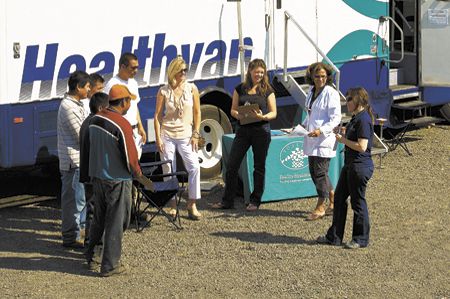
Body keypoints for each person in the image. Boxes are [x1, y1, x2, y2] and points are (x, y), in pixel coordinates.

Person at [85, 84, 147, 276]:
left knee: (99, 219)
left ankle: (92, 256)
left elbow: (87, 147)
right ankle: (110, 265)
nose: (130, 103)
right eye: (129, 99)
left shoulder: (94, 120)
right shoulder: (122, 124)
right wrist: (139, 175)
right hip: (117, 179)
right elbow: (131, 157)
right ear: (124, 102)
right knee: (117, 222)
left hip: (98, 177)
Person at [213, 58, 277, 211]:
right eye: (257, 72)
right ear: (250, 71)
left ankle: (255, 200)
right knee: (233, 165)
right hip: (243, 130)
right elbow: (233, 109)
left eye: (262, 72)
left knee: (259, 166)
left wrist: (263, 117)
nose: (259, 75)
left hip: (261, 131)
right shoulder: (240, 88)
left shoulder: (267, 90)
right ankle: (227, 201)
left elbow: (274, 113)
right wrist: (238, 115)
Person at [317, 87, 375, 249]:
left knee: (358, 202)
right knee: (340, 198)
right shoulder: (356, 118)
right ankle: (334, 236)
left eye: (349, 99)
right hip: (350, 165)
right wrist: (344, 131)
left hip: (359, 166)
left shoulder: (363, 119)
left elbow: (362, 146)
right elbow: (355, 136)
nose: (346, 102)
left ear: (358, 101)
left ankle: (360, 239)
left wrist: (343, 140)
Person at [154, 56, 202, 220]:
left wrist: (196, 132)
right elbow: (157, 116)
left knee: (194, 166)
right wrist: (158, 138)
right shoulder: (163, 90)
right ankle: (172, 205)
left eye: (185, 70)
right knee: (169, 170)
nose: (184, 73)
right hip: (167, 134)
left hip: (186, 134)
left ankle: (192, 203)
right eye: (181, 70)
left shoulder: (192, 88)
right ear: (173, 71)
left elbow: (197, 112)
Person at [303, 62, 341, 221]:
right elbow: (310, 115)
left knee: (319, 173)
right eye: (317, 76)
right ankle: (334, 200)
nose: (320, 79)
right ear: (312, 77)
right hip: (312, 137)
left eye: (323, 76)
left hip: (324, 138)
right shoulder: (311, 92)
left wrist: (321, 131)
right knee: (315, 172)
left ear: (328, 77)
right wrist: (301, 127)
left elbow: (335, 119)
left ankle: (320, 206)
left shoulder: (331, 93)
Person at [57, 70, 90, 248]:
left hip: (79, 161)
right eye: (87, 86)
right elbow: (81, 135)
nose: (89, 89)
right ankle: (71, 237)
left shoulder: (77, 105)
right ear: (78, 87)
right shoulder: (68, 107)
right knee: (74, 202)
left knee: (80, 200)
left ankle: (80, 233)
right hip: (73, 162)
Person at [79, 92, 109, 247]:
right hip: (95, 175)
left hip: (86, 174)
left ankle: (88, 241)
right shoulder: (97, 124)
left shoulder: (87, 122)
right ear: (101, 107)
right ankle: (93, 243)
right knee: (96, 210)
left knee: (92, 210)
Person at [104, 53, 146, 156]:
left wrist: (140, 126)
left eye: (137, 67)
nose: (136, 71)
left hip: (135, 131)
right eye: (133, 68)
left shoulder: (134, 83)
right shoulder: (112, 85)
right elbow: (107, 111)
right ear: (122, 66)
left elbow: (135, 106)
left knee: (135, 166)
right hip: (121, 132)